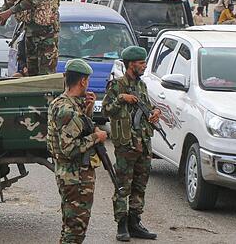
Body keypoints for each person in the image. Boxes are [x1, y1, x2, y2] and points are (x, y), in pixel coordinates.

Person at [102, 46, 160, 241]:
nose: (144, 66)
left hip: (143, 143)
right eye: (141, 63)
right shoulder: (117, 85)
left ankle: (135, 222)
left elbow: (146, 107)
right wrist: (121, 98)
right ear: (131, 64)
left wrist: (153, 114)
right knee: (122, 186)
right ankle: (121, 225)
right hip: (126, 145)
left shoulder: (141, 85)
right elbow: (106, 111)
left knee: (140, 185)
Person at [47, 59, 107, 244]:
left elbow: (79, 128)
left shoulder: (62, 102)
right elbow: (69, 148)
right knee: (75, 231)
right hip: (75, 178)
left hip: (70, 175)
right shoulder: (68, 110)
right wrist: (97, 137)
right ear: (83, 81)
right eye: (87, 80)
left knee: (70, 227)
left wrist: (88, 108)